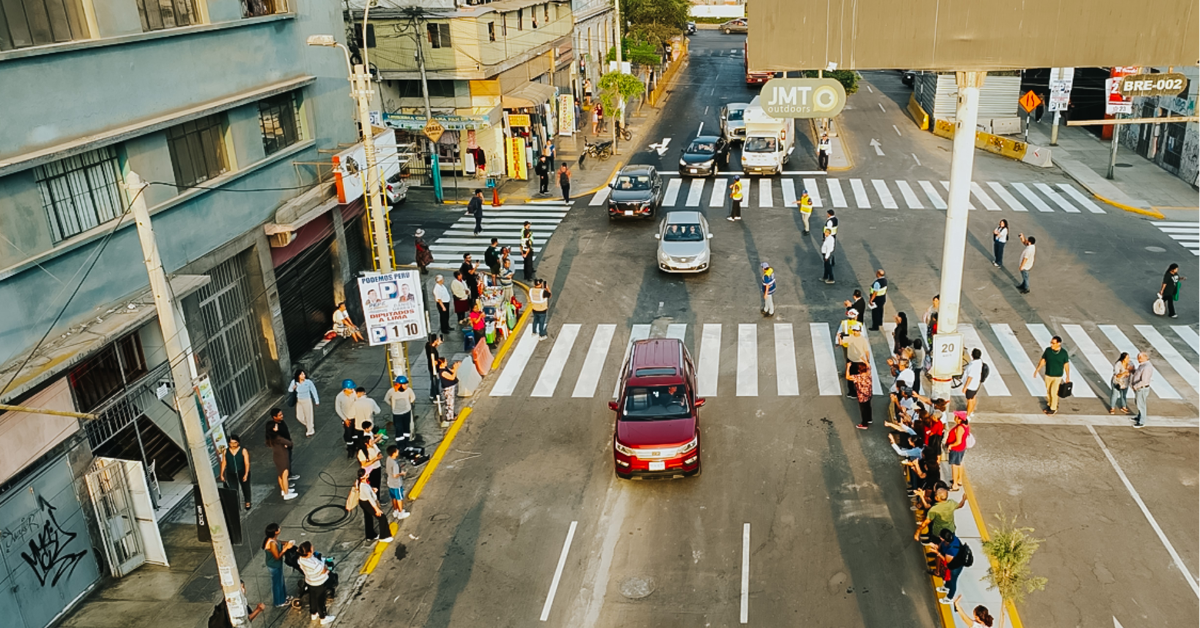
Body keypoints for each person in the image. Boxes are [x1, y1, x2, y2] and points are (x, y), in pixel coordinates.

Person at [347, 468, 392, 542]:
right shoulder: (363, 486)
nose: (368, 475)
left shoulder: (361, 482)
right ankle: (384, 536)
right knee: (382, 517)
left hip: (363, 502)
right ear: (363, 477)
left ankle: (370, 535)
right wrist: (377, 509)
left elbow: (366, 491)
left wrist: (372, 489)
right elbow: (370, 499)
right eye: (367, 474)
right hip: (367, 503)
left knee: (368, 518)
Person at [296, 542, 335, 624]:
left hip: (310, 581)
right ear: (308, 552)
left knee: (313, 597)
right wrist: (326, 570)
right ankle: (323, 617)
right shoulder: (313, 563)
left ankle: (313, 613)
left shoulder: (301, 559)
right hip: (319, 582)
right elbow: (322, 570)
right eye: (311, 547)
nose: (313, 547)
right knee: (320, 600)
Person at [1032, 335, 1070, 415]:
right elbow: (1043, 360)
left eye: (1053, 343)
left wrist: (1067, 376)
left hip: (1057, 376)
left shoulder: (1063, 353)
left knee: (1054, 392)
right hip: (1048, 374)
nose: (1051, 344)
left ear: (1059, 343)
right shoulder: (1048, 351)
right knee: (1048, 391)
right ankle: (1050, 405)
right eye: (1051, 343)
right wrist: (1037, 370)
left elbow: (1066, 365)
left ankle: (1053, 408)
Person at [265, 409, 296, 500]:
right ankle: (286, 493)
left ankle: (284, 490)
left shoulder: (270, 439)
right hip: (283, 456)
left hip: (277, 456)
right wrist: (288, 444)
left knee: (280, 474)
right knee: (285, 474)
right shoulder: (278, 438)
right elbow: (289, 443)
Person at [262, 524, 294, 607]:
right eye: (278, 528)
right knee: (277, 583)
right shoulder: (272, 543)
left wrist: (286, 543)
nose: (280, 528)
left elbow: (279, 542)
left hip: (277, 564)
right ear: (276, 532)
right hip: (274, 565)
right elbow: (277, 557)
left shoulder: (273, 539)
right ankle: (279, 602)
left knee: (281, 581)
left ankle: (283, 597)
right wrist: (285, 548)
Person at [219, 434, 252, 511]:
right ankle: (235, 504)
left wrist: (246, 474)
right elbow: (224, 462)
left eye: (235, 443)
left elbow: (247, 463)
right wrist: (222, 474)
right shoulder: (225, 451)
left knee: (245, 487)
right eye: (231, 443)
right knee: (233, 489)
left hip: (242, 471)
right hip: (231, 472)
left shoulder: (243, 450)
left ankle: (247, 501)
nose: (233, 445)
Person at [847, 349, 874, 429]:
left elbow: (847, 377)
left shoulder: (858, 377)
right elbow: (869, 366)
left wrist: (848, 367)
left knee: (863, 410)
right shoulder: (868, 374)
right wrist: (864, 360)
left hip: (862, 396)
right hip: (869, 394)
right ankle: (869, 419)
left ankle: (864, 423)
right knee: (868, 407)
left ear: (859, 370)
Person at [288, 369, 319, 437]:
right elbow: (289, 389)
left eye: (304, 374)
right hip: (299, 401)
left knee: (309, 416)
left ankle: (310, 431)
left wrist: (316, 400)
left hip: (307, 400)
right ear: (298, 375)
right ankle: (309, 425)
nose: (303, 376)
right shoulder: (294, 382)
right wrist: (293, 388)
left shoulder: (308, 382)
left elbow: (314, 391)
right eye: (301, 374)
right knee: (299, 417)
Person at [946, 411, 971, 491]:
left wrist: (951, 445)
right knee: (959, 463)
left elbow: (958, 441)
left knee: (954, 466)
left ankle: (955, 484)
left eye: (956, 416)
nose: (954, 417)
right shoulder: (965, 426)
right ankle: (959, 480)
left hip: (956, 449)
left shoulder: (960, 428)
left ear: (959, 419)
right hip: (962, 447)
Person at [356, 423, 384, 493]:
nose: (373, 441)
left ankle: (378, 499)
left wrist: (379, 455)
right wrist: (376, 459)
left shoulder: (373, 446)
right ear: (366, 443)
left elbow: (378, 452)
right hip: (370, 471)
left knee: (377, 485)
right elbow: (364, 464)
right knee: (372, 486)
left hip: (377, 467)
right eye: (371, 441)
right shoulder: (362, 452)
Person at [386, 446, 411, 520]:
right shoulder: (395, 464)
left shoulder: (388, 459)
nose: (398, 451)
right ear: (394, 453)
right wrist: (402, 473)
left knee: (393, 497)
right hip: (396, 483)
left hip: (390, 482)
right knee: (399, 498)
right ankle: (401, 513)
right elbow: (395, 475)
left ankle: (395, 511)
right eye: (397, 451)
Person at [1130, 352, 1154, 428]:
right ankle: (1139, 416)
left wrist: (1136, 386)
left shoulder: (1146, 367)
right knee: (1139, 403)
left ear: (1144, 357)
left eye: (1139, 357)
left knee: (1141, 404)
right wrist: (1133, 371)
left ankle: (1142, 421)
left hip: (1141, 388)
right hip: (1139, 388)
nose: (1138, 359)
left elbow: (1144, 380)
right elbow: (1138, 374)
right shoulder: (1143, 365)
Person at [336, 380, 357, 458]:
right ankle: (350, 449)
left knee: (356, 434)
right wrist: (345, 419)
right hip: (347, 419)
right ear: (345, 388)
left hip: (355, 417)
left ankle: (356, 447)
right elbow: (338, 409)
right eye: (350, 389)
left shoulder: (354, 394)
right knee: (348, 435)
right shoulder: (339, 397)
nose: (352, 390)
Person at [437, 358, 461, 427]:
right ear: (442, 363)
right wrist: (456, 369)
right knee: (449, 402)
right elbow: (452, 377)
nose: (447, 362)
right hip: (448, 389)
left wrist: (455, 367)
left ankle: (451, 413)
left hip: (451, 387)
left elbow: (451, 371)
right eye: (445, 361)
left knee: (451, 401)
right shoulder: (442, 372)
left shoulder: (445, 368)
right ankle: (450, 417)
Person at [962, 348, 984, 416]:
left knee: (969, 400)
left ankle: (968, 415)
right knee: (973, 397)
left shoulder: (973, 365)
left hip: (970, 386)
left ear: (972, 355)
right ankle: (972, 411)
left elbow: (970, 377)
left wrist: (965, 387)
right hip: (976, 384)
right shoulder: (980, 362)